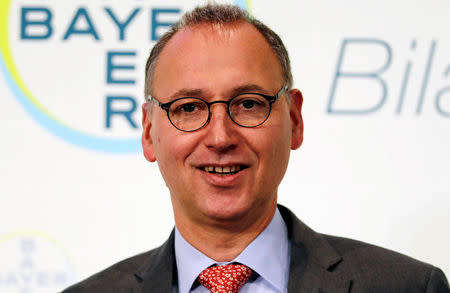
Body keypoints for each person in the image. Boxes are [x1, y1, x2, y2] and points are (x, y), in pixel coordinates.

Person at [62, 3, 449, 293]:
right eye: (189, 108)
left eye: (248, 103)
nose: (220, 137)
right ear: (149, 132)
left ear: (294, 120)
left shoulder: (409, 286)